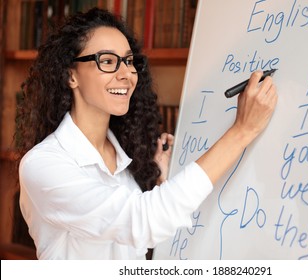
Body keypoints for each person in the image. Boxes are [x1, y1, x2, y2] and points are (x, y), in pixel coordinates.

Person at [16, 8, 278, 260]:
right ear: (70, 75)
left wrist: (161, 183)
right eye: (107, 61)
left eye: (129, 61)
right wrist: (243, 131)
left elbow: (144, 239)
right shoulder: (43, 165)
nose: (127, 74)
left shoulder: (126, 159)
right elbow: (142, 222)